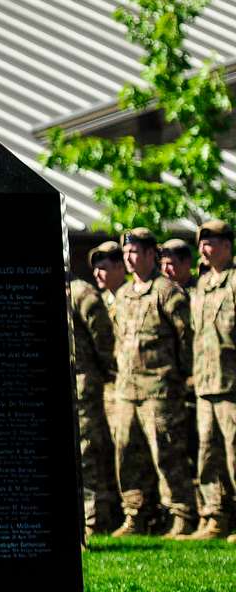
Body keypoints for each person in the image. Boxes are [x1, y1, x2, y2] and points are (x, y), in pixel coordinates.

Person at [110, 227, 195, 537]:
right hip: (127, 390)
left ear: (150, 255)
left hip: (160, 389)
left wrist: (181, 376)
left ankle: (181, 514)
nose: (130, 259)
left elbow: (186, 338)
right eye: (126, 253)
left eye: (135, 252)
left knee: (167, 454)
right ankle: (137, 514)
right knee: (127, 455)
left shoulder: (167, 291)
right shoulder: (123, 294)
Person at [192, 220, 236, 540]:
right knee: (208, 451)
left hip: (232, 383)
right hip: (206, 384)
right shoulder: (202, 285)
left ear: (227, 245)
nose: (204, 249)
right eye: (202, 243)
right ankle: (215, 516)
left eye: (211, 242)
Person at [70, 266, 119, 538]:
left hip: (83, 383)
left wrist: (102, 369)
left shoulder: (81, 291)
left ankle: (95, 518)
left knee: (88, 450)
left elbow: (103, 337)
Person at [91, 241, 126, 307]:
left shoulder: (133, 297)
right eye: (95, 269)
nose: (96, 274)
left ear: (119, 267)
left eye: (102, 268)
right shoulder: (101, 300)